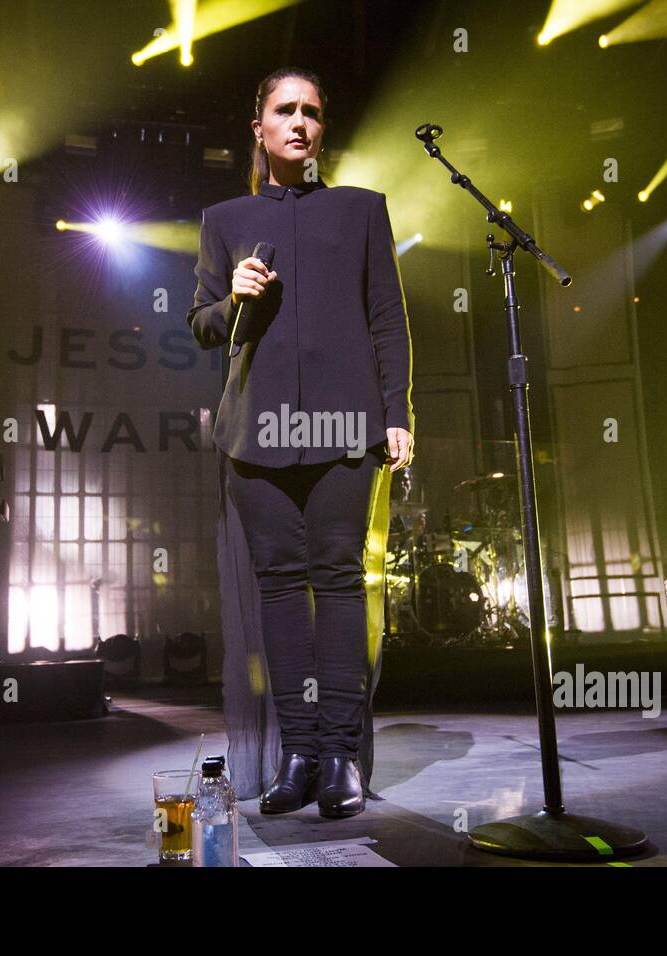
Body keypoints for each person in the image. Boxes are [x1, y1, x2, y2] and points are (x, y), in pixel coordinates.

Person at [187, 67, 414, 817]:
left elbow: (387, 318)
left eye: (312, 112)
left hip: (347, 433)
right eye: (284, 110)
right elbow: (200, 327)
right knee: (282, 590)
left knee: (341, 584)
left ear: (323, 130)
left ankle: (342, 758)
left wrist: (397, 412)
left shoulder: (361, 211)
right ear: (258, 127)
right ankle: (300, 756)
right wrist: (233, 299)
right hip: (255, 436)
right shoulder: (223, 220)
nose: (299, 122)